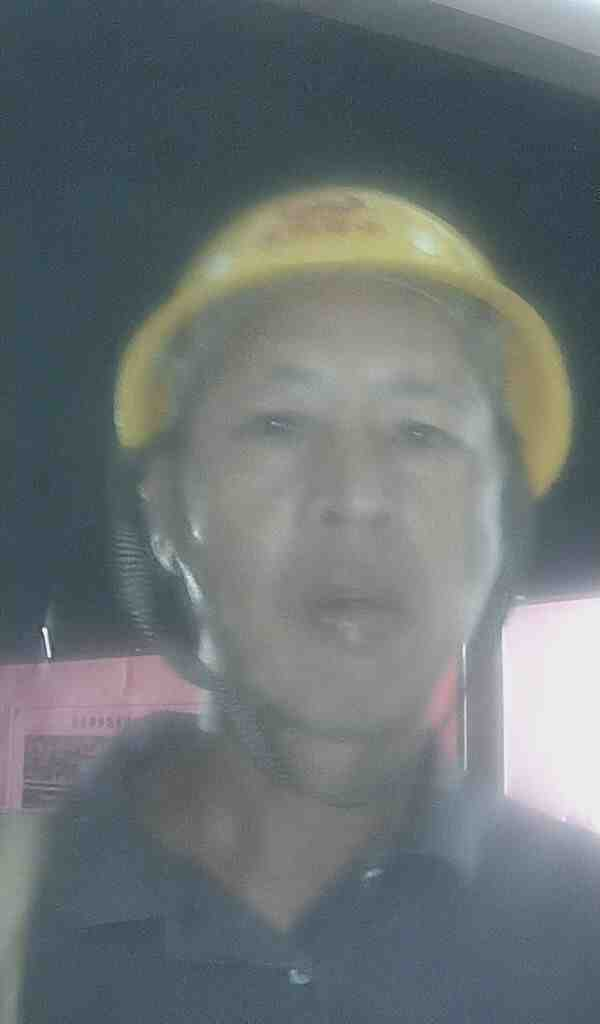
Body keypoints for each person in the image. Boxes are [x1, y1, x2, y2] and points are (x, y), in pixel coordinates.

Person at [19, 185, 600, 1023]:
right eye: (278, 424)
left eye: (421, 432)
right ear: (166, 511)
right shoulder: (21, 912)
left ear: (501, 523)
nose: (356, 495)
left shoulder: (579, 932)